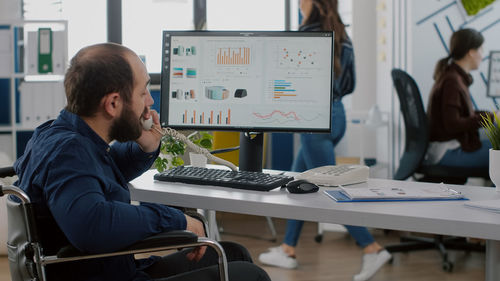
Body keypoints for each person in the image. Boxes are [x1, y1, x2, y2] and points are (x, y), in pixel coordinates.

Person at [13, 43, 271, 281]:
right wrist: (178, 220)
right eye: (143, 91)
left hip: (112, 268)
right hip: (106, 275)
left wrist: (144, 148)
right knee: (250, 275)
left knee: (232, 253)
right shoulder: (68, 152)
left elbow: (99, 175)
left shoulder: (57, 134)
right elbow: (93, 225)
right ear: (113, 103)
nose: (149, 101)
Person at [258, 1, 391, 281]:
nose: (298, 4)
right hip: (337, 113)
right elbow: (350, 83)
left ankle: (371, 248)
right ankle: (288, 248)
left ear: (313, 3)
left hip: (315, 118)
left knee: (330, 191)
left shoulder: (308, 33)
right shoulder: (341, 33)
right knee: (296, 183)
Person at [425, 28, 494, 168]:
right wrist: (490, 118)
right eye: (481, 50)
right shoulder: (453, 81)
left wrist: (492, 116)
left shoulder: (453, 76)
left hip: (448, 146)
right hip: (446, 151)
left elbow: (459, 116)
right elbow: (453, 124)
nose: (482, 55)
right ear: (471, 52)